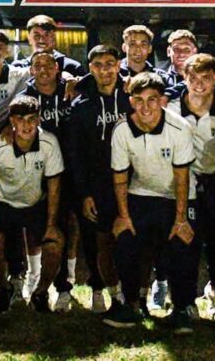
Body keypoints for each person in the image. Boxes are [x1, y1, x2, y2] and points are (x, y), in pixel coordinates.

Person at [102, 72, 199, 333]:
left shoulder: (179, 128)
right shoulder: (122, 129)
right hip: (141, 192)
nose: (145, 107)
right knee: (125, 238)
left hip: (177, 195)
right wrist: (124, 216)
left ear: (162, 101)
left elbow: (182, 178)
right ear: (131, 101)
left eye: (152, 99)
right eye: (139, 100)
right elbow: (120, 178)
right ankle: (131, 304)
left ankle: (182, 309)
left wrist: (180, 219)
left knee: (181, 241)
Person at [0, 95, 65, 313]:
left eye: (31, 119)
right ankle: (5, 286)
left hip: (34, 202)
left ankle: (40, 292)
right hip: (1, 201)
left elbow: (54, 185)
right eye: (20, 119)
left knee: (55, 243)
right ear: (11, 120)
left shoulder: (49, 143)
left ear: (39, 119)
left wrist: (51, 224)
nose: (26, 125)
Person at [166, 53, 215, 333]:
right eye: (193, 78)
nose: (199, 84)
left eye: (206, 78)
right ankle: (184, 305)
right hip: (185, 187)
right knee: (184, 245)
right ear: (184, 79)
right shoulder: (171, 109)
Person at [63, 45, 131, 313]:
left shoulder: (130, 97)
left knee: (125, 237)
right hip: (96, 184)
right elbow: (75, 154)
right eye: (98, 65)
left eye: (110, 64)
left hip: (128, 181)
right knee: (94, 239)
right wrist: (85, 194)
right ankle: (98, 288)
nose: (105, 70)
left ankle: (128, 292)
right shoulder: (81, 105)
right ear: (90, 68)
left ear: (118, 65)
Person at [21, 50, 78, 312]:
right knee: (35, 224)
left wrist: (75, 81)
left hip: (71, 168)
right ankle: (34, 276)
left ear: (57, 68)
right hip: (38, 169)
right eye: (37, 65)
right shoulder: (25, 97)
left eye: (48, 65)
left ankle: (66, 284)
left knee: (69, 224)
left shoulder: (73, 89)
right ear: (31, 70)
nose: (43, 70)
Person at [13, 15, 87, 77]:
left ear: (54, 37)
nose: (41, 39)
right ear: (29, 38)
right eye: (37, 35)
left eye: (47, 35)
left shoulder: (72, 67)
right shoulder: (18, 67)